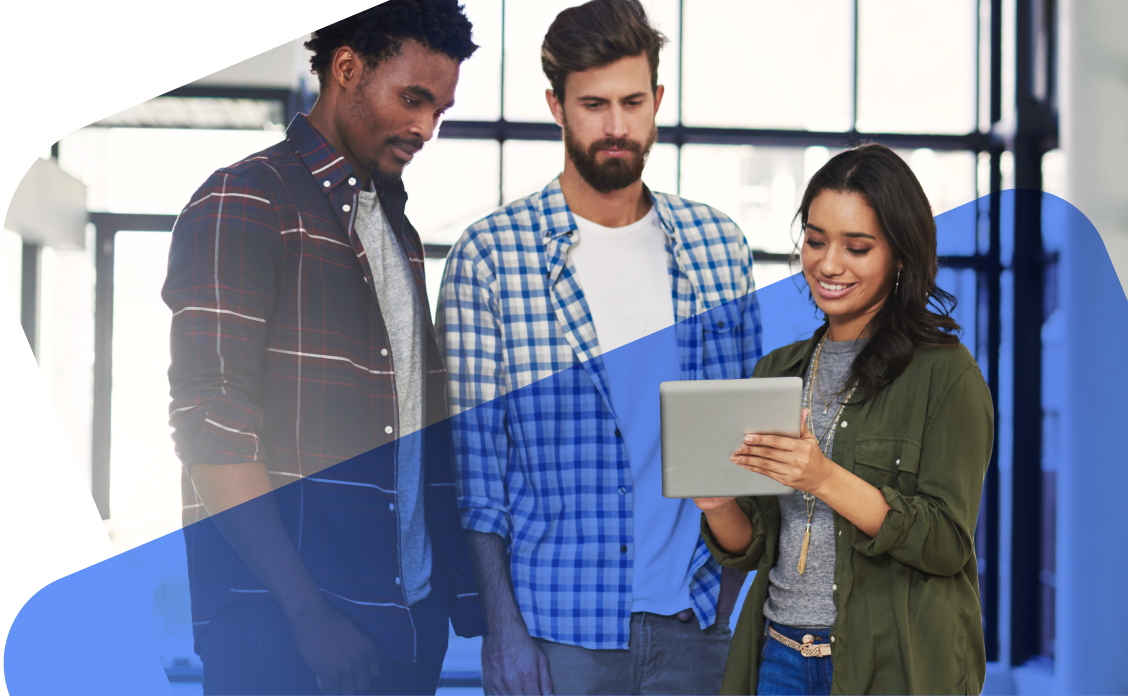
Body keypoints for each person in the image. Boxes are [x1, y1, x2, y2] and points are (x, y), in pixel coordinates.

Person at [434, 1, 760, 694]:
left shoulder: (716, 245)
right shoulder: (492, 255)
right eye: (593, 104)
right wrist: (504, 633)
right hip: (557, 634)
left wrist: (729, 603)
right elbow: (475, 474)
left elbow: (745, 442)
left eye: (632, 102)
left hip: (697, 623)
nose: (616, 126)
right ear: (555, 106)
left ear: (657, 100)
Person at [162, 3, 485, 694]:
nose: (426, 128)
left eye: (441, 108)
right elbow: (210, 430)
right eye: (412, 99)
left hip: (400, 623)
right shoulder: (246, 199)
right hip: (290, 633)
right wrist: (308, 616)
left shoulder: (393, 226)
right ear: (347, 69)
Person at [694, 143, 992, 695]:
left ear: (900, 255)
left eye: (857, 247)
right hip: (780, 657)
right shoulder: (776, 371)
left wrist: (824, 478)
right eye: (814, 240)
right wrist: (718, 505)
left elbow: (947, 543)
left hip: (890, 666)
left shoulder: (947, 376)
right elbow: (756, 545)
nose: (828, 264)